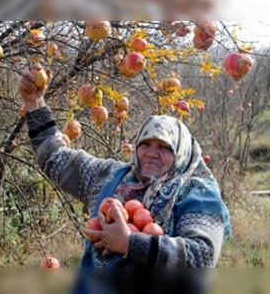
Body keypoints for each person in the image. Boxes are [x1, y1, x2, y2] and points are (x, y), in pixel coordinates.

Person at [18, 64, 231, 271]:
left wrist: (129, 243)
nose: (151, 153)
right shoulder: (110, 177)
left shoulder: (198, 194)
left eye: (165, 148)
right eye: (145, 144)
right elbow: (55, 157)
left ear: (181, 154)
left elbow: (202, 258)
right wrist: (35, 103)